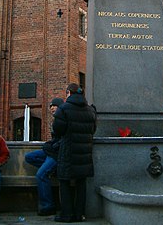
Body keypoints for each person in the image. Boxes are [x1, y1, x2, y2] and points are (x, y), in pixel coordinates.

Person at [53, 83, 96, 223]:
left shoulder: (63, 109)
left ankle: (67, 214)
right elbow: (93, 129)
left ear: (69, 93)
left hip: (68, 150)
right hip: (85, 152)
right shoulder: (90, 110)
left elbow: (58, 130)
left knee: (64, 181)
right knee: (81, 182)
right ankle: (79, 214)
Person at [25, 97, 64, 216]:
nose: (51, 108)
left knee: (41, 174)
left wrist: (52, 146)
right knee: (29, 157)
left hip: (56, 154)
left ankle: (48, 206)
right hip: (51, 152)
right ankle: (52, 170)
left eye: (54, 105)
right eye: (50, 106)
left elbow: (63, 140)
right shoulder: (55, 120)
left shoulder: (63, 120)